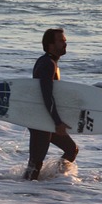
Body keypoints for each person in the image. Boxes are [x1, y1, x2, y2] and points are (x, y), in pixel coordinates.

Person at [23, 27, 79, 180]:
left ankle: (55, 179)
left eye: (65, 41)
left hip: (46, 117)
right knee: (35, 164)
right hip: (41, 119)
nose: (65, 44)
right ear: (50, 44)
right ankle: (26, 193)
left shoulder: (50, 62)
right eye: (61, 41)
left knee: (71, 149)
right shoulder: (47, 64)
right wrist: (57, 122)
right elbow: (46, 95)